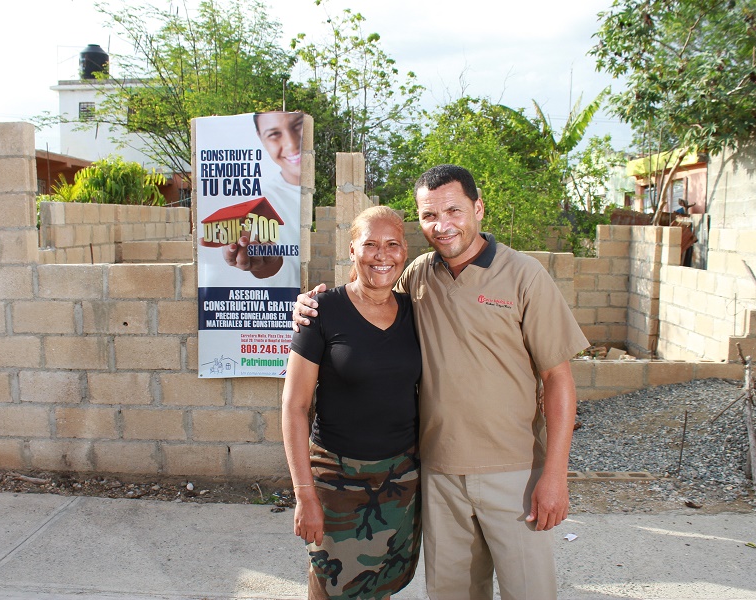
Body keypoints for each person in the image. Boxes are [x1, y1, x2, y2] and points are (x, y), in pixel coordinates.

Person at [295, 165, 589, 599]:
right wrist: (313, 306)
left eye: (454, 210)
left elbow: (558, 379)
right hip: (437, 472)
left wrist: (556, 476)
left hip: (514, 473)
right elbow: (367, 296)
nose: (443, 224)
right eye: (430, 215)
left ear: (479, 208)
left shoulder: (524, 276)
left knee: (530, 592)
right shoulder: (417, 277)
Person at [282, 205, 422, 600]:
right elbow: (294, 407)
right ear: (352, 250)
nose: (382, 255)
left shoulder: (415, 313)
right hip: (336, 480)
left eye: (392, 244)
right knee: (330, 585)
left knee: (380, 584)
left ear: (404, 252)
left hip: (400, 481)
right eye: (371, 244)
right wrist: (304, 493)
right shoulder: (322, 311)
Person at [222, 111, 304, 280]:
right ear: (261, 139)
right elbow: (279, 271)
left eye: (297, 126)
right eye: (274, 134)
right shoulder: (260, 202)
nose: (291, 143)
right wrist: (265, 265)